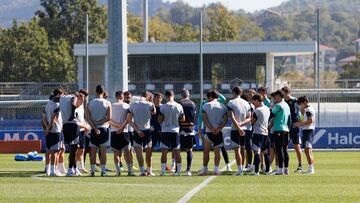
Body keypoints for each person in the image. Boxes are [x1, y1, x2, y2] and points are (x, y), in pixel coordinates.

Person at [198, 91, 232, 172]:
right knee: (217, 152)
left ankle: (205, 168)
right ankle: (216, 169)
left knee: (206, 152)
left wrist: (211, 128)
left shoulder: (205, 105)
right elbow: (225, 119)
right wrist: (219, 129)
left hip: (209, 131)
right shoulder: (223, 106)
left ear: (210, 97)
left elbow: (203, 118)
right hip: (218, 132)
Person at [129, 91, 156, 176]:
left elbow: (129, 120)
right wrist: (151, 102)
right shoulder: (149, 104)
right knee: (148, 152)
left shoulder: (133, 104)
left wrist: (137, 130)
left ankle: (142, 171)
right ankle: (149, 170)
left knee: (138, 152)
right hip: (147, 130)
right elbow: (154, 112)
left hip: (137, 130)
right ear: (148, 97)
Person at [158, 90, 185, 176]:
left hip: (165, 131)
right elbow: (183, 119)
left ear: (166, 96)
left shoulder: (163, 107)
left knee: (164, 152)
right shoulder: (179, 106)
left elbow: (160, 119)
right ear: (173, 96)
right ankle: (178, 171)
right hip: (175, 131)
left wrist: (165, 121)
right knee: (177, 152)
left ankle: (162, 172)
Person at [87, 85, 112, 177]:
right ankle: (103, 171)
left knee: (93, 151)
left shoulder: (90, 103)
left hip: (94, 129)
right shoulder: (107, 103)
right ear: (103, 92)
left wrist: (95, 127)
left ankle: (92, 171)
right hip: (104, 129)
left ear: (96, 91)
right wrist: (100, 122)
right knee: (103, 151)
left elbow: (88, 119)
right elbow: (109, 118)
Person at [60, 91, 86, 176]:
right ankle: (70, 170)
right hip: (72, 125)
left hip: (65, 125)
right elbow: (73, 103)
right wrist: (72, 114)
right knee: (74, 149)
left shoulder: (62, 98)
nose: (81, 102)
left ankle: (75, 169)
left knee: (74, 149)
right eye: (81, 100)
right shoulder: (73, 98)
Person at [227, 86, 251, 176]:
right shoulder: (246, 103)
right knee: (243, 149)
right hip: (245, 129)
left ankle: (239, 170)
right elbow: (249, 118)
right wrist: (241, 125)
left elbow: (231, 116)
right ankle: (242, 169)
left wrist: (238, 127)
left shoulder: (231, 102)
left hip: (235, 129)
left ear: (233, 92)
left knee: (237, 150)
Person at [110, 91, 135, 176]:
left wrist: (117, 127)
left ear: (116, 96)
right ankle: (130, 171)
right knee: (127, 152)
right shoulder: (127, 106)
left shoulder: (111, 106)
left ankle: (118, 171)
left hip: (114, 131)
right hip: (124, 131)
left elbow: (109, 120)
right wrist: (121, 127)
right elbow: (128, 119)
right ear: (122, 97)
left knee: (116, 153)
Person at [44, 88, 64, 176]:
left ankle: (49, 170)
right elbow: (53, 118)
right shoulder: (57, 105)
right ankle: (53, 171)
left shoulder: (48, 103)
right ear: (59, 94)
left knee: (50, 150)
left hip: (50, 130)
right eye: (62, 95)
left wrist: (46, 128)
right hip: (55, 130)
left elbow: (44, 116)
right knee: (55, 151)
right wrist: (49, 128)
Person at [281, 86, 303, 173]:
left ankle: (300, 165)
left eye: (283, 93)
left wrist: (299, 122)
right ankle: (283, 166)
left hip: (294, 126)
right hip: (286, 126)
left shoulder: (294, 100)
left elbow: (300, 112)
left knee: (296, 145)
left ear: (287, 93)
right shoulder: (283, 102)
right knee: (284, 146)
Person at [270, 90, 291, 175]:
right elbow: (289, 118)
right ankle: (286, 169)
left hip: (278, 129)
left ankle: (280, 169)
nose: (275, 98)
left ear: (279, 96)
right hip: (286, 129)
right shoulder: (286, 105)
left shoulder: (278, 105)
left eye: (275, 96)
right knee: (285, 150)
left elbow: (271, 114)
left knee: (279, 149)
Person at [250, 94, 271, 176]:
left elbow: (252, 121)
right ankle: (267, 170)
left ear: (256, 100)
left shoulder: (257, 110)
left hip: (258, 132)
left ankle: (256, 171)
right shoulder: (267, 109)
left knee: (257, 152)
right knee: (265, 152)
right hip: (265, 133)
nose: (253, 103)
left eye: (254, 101)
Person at [294, 96, 315, 174]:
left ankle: (311, 169)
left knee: (307, 150)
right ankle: (311, 168)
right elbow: (303, 119)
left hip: (309, 131)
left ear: (305, 102)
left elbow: (311, 120)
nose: (300, 106)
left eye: (301, 104)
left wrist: (300, 124)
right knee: (308, 150)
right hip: (306, 131)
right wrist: (302, 113)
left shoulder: (308, 110)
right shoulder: (306, 110)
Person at [179, 89, 197, 176]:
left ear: (181, 95)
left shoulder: (179, 103)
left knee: (177, 150)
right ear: (188, 95)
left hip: (180, 129)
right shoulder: (193, 104)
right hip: (190, 129)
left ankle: (176, 169)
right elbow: (195, 116)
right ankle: (188, 170)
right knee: (189, 150)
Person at [75, 89, 90, 174]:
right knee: (77, 149)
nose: (84, 99)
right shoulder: (75, 106)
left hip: (82, 129)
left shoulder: (82, 106)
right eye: (83, 97)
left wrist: (85, 126)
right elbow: (76, 120)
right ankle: (75, 167)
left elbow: (82, 118)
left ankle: (81, 166)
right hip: (77, 130)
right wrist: (84, 126)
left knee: (82, 149)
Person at [242, 89, 256, 172]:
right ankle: (248, 164)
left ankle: (255, 164)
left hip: (253, 128)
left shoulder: (255, 104)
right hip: (247, 128)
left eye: (252, 94)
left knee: (252, 147)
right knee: (247, 146)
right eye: (249, 94)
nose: (250, 95)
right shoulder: (246, 104)